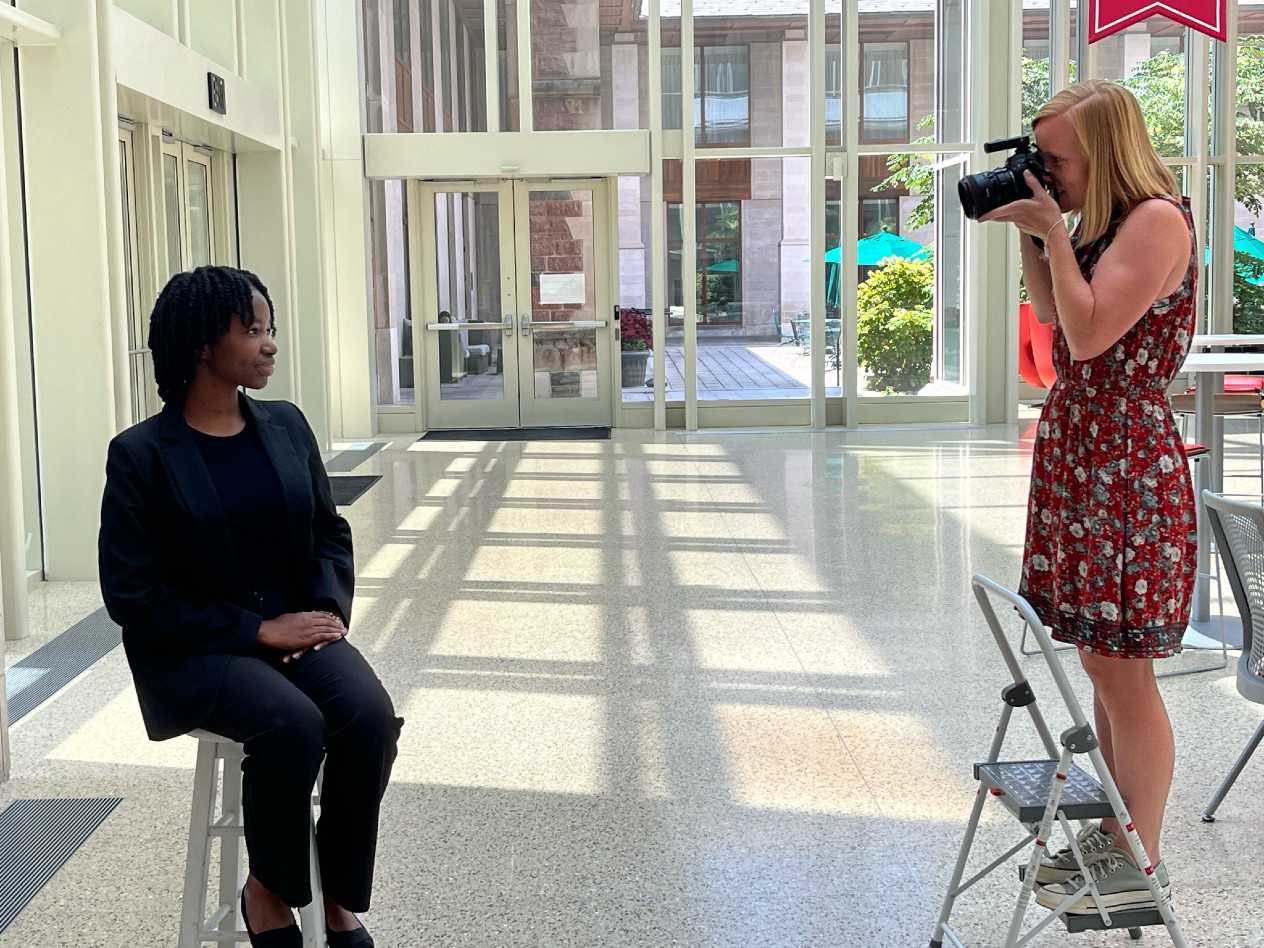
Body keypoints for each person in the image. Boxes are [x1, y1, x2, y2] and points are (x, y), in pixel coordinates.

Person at [98, 266, 402, 948]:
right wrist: (257, 630)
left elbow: (329, 531)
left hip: (296, 632)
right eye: (252, 331)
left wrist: (322, 613)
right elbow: (132, 595)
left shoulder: (286, 425)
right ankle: (271, 896)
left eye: (270, 330)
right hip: (198, 652)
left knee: (368, 716)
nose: (269, 345)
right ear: (204, 345)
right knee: (292, 724)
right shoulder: (142, 455)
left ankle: (332, 897)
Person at [982, 80, 1197, 913]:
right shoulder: (1096, 225)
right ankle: (1115, 834)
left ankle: (1142, 855)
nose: (1047, 172)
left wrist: (1051, 234)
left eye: (1058, 159)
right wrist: (1038, 242)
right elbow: (1051, 313)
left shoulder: (1155, 219)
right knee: (1101, 663)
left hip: (1125, 464)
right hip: (1085, 452)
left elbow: (1093, 333)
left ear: (1106, 151)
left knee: (1124, 668)